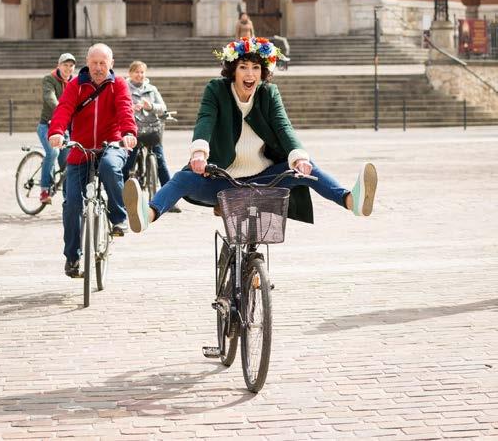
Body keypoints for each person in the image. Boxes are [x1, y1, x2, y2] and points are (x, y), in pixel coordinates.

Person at [122, 36, 378, 234]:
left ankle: (350, 200)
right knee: (182, 179)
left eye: (256, 67)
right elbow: (205, 120)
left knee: (308, 171)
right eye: (243, 67)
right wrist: (199, 151)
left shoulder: (269, 94)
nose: (249, 74)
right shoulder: (216, 90)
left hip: (265, 179)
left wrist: (298, 157)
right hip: (222, 178)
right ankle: (148, 215)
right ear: (233, 70)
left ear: (262, 72)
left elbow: (283, 126)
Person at [48, 43, 138, 278]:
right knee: (72, 205)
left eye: (103, 63)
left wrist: (128, 133)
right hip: (81, 148)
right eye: (94, 63)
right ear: (87, 63)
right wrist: (56, 131)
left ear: (111, 64)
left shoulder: (118, 84)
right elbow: (63, 109)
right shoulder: (76, 85)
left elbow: (125, 109)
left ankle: (118, 218)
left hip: (112, 143)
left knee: (110, 167)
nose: (98, 68)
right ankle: (72, 258)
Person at [123, 60, 181, 213]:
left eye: (142, 72)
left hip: (151, 130)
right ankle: (121, 198)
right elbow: (119, 107)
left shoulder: (151, 89)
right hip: (133, 131)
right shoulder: (124, 88)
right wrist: (131, 108)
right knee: (127, 163)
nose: (139, 75)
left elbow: (163, 108)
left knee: (161, 162)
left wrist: (151, 106)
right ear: (130, 73)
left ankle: (170, 200)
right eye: (136, 72)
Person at [37, 52, 76, 204]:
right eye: (65, 65)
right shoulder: (49, 79)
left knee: (68, 163)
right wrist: (63, 110)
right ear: (58, 66)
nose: (68, 68)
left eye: (71, 66)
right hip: (47, 125)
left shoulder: (75, 82)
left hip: (65, 128)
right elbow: (49, 97)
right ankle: (44, 189)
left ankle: (68, 199)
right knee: (53, 152)